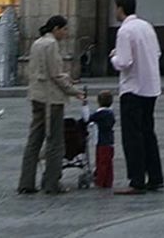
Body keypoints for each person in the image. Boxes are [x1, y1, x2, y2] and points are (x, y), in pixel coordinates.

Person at [19, 14, 85, 195]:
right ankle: (52, 183)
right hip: (51, 99)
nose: (65, 33)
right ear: (55, 28)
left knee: (34, 140)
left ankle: (26, 181)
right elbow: (55, 75)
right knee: (55, 141)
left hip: (36, 95)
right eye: (64, 29)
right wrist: (74, 90)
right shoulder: (51, 45)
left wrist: (66, 79)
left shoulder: (37, 43)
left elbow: (42, 71)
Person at [108, 0, 163, 194]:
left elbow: (124, 62)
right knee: (148, 133)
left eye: (115, 8)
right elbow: (157, 53)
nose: (115, 12)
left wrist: (113, 56)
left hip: (132, 88)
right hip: (151, 87)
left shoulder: (125, 31)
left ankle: (137, 180)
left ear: (121, 8)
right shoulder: (146, 26)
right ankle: (155, 177)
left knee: (132, 136)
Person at [88, 90, 117, 189]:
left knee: (101, 163)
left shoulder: (100, 114)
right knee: (109, 163)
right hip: (110, 142)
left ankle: (100, 181)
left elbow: (87, 118)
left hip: (101, 141)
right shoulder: (111, 113)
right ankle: (108, 181)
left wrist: (84, 106)